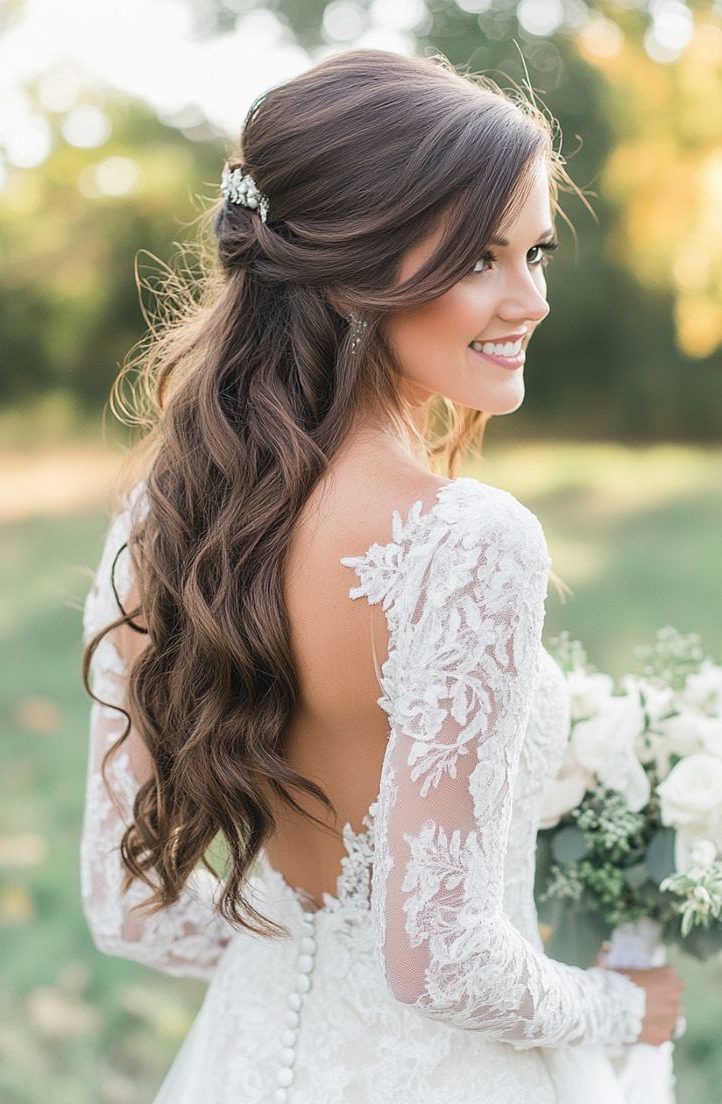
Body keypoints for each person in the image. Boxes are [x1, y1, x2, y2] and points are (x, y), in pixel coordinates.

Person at [80, 47, 684, 1104]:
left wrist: (305, 978)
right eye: (478, 261)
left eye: (535, 253)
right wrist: (621, 1004)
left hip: (248, 1063)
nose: (529, 300)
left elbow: (129, 910)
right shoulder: (469, 541)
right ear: (352, 267)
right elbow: (438, 961)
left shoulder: (165, 520)